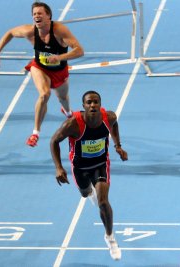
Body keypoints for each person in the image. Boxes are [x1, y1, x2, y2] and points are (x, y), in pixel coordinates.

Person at [0, 2, 84, 147]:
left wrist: (59, 58)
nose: (36, 16)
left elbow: (79, 50)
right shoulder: (30, 31)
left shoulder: (59, 31)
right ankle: (35, 133)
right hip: (40, 67)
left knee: (63, 98)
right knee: (44, 95)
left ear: (49, 16)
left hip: (59, 71)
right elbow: (10, 33)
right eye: (34, 14)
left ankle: (67, 111)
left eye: (40, 13)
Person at [50, 90, 128, 261]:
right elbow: (54, 141)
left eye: (95, 102)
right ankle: (90, 193)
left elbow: (115, 125)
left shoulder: (109, 117)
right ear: (83, 106)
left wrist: (118, 146)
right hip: (80, 168)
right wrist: (58, 167)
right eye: (89, 103)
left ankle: (110, 237)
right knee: (85, 194)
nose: (92, 105)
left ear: (100, 104)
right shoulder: (73, 125)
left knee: (103, 202)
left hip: (100, 165)